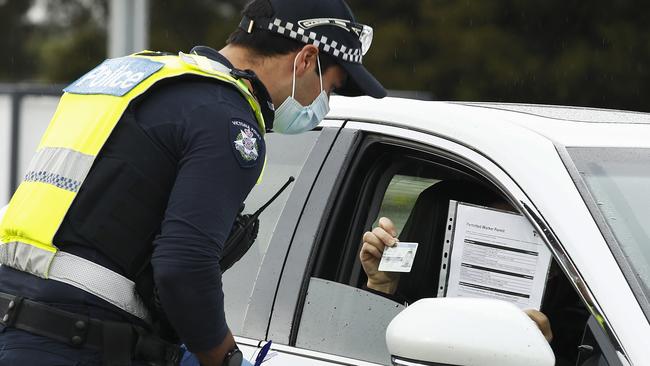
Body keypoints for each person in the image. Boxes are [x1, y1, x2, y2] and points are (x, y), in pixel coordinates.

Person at [0, 0, 386, 365]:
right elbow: (184, 269)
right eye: (330, 89)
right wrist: (226, 358)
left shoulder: (131, 78)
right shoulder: (227, 118)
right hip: (75, 343)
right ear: (306, 59)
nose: (325, 104)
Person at [359, 181, 555, 341]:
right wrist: (381, 286)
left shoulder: (563, 314)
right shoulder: (411, 320)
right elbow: (364, 349)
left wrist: (541, 352)